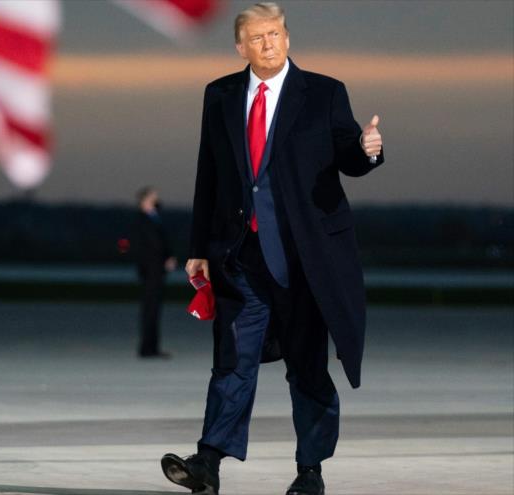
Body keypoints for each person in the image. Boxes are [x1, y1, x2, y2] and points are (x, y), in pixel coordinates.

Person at [160, 3, 384, 494]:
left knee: (307, 369)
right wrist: (199, 245)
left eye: (277, 33)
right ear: (240, 46)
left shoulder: (323, 93)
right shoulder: (219, 95)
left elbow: (349, 153)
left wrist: (368, 150)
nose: (269, 43)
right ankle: (208, 463)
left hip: (305, 262)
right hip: (241, 256)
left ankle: (310, 472)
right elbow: (209, 175)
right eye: (258, 37)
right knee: (232, 363)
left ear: (288, 38)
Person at [133, 186, 177, 358]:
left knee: (154, 309)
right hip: (151, 270)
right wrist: (164, 258)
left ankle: (152, 346)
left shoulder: (154, 217)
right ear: (145, 199)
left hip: (156, 269)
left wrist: (169, 256)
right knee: (150, 309)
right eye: (153, 196)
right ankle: (147, 348)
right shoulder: (143, 219)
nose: (156, 199)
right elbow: (152, 244)